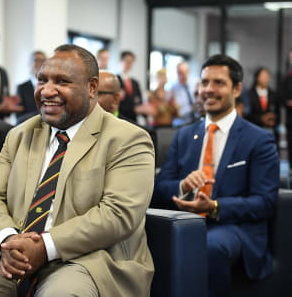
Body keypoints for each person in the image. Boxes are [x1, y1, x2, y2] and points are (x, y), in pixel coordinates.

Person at [0, 44, 155, 297]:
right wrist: (7, 240)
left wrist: (45, 246)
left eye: (62, 81)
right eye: (42, 80)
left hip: (89, 261)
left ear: (92, 88)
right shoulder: (20, 135)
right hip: (11, 255)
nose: (47, 90)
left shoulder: (128, 139)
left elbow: (118, 214)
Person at [153, 54, 279, 297]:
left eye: (219, 83)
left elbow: (265, 202)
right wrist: (182, 186)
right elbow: (159, 188)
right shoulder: (184, 136)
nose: (208, 90)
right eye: (204, 82)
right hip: (184, 222)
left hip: (233, 226)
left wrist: (214, 206)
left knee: (210, 247)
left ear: (237, 89)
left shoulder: (259, 140)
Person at [16, 51, 46, 124]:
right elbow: (19, 116)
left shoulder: (50, 86)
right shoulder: (21, 87)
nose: (39, 63)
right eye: (36, 60)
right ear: (30, 63)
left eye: (42, 61)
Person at [116, 50, 143, 121]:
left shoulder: (135, 83)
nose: (129, 64)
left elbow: (139, 101)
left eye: (131, 62)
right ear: (120, 61)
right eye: (127, 61)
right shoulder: (115, 80)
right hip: (119, 118)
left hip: (133, 119)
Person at [169, 61, 195, 126]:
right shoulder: (173, 88)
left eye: (184, 72)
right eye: (179, 73)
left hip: (196, 121)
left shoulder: (195, 84)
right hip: (181, 123)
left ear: (188, 72)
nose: (182, 75)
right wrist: (191, 108)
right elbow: (177, 112)